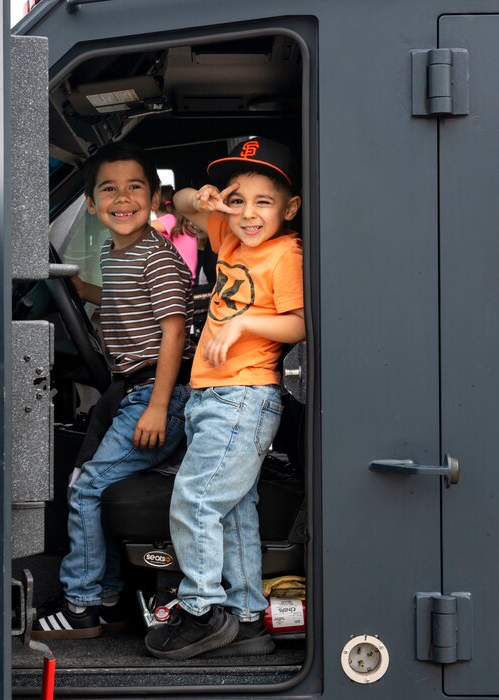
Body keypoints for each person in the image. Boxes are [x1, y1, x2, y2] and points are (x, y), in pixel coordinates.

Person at [144, 137, 305, 659]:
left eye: (264, 202)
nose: (249, 214)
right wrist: (206, 198)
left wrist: (243, 322)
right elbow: (185, 202)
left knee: (195, 501)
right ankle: (245, 618)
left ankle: (200, 609)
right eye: (239, 200)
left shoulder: (286, 253)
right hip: (212, 398)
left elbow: (300, 323)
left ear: (289, 208)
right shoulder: (231, 239)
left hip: (245, 397)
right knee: (234, 511)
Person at [33, 142, 195, 639]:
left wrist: (159, 407)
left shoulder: (157, 256)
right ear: (90, 203)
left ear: (156, 198)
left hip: (156, 395)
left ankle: (83, 606)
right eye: (109, 189)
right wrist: (85, 293)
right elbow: (129, 299)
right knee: (91, 483)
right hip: (133, 391)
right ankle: (107, 595)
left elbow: (173, 330)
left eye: (134, 188)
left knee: (85, 488)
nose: (122, 198)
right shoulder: (113, 249)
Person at [151, 185, 199, 283]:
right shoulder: (181, 221)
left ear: (154, 206)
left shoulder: (170, 219)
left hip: (179, 280)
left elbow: (138, 227)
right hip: (185, 279)